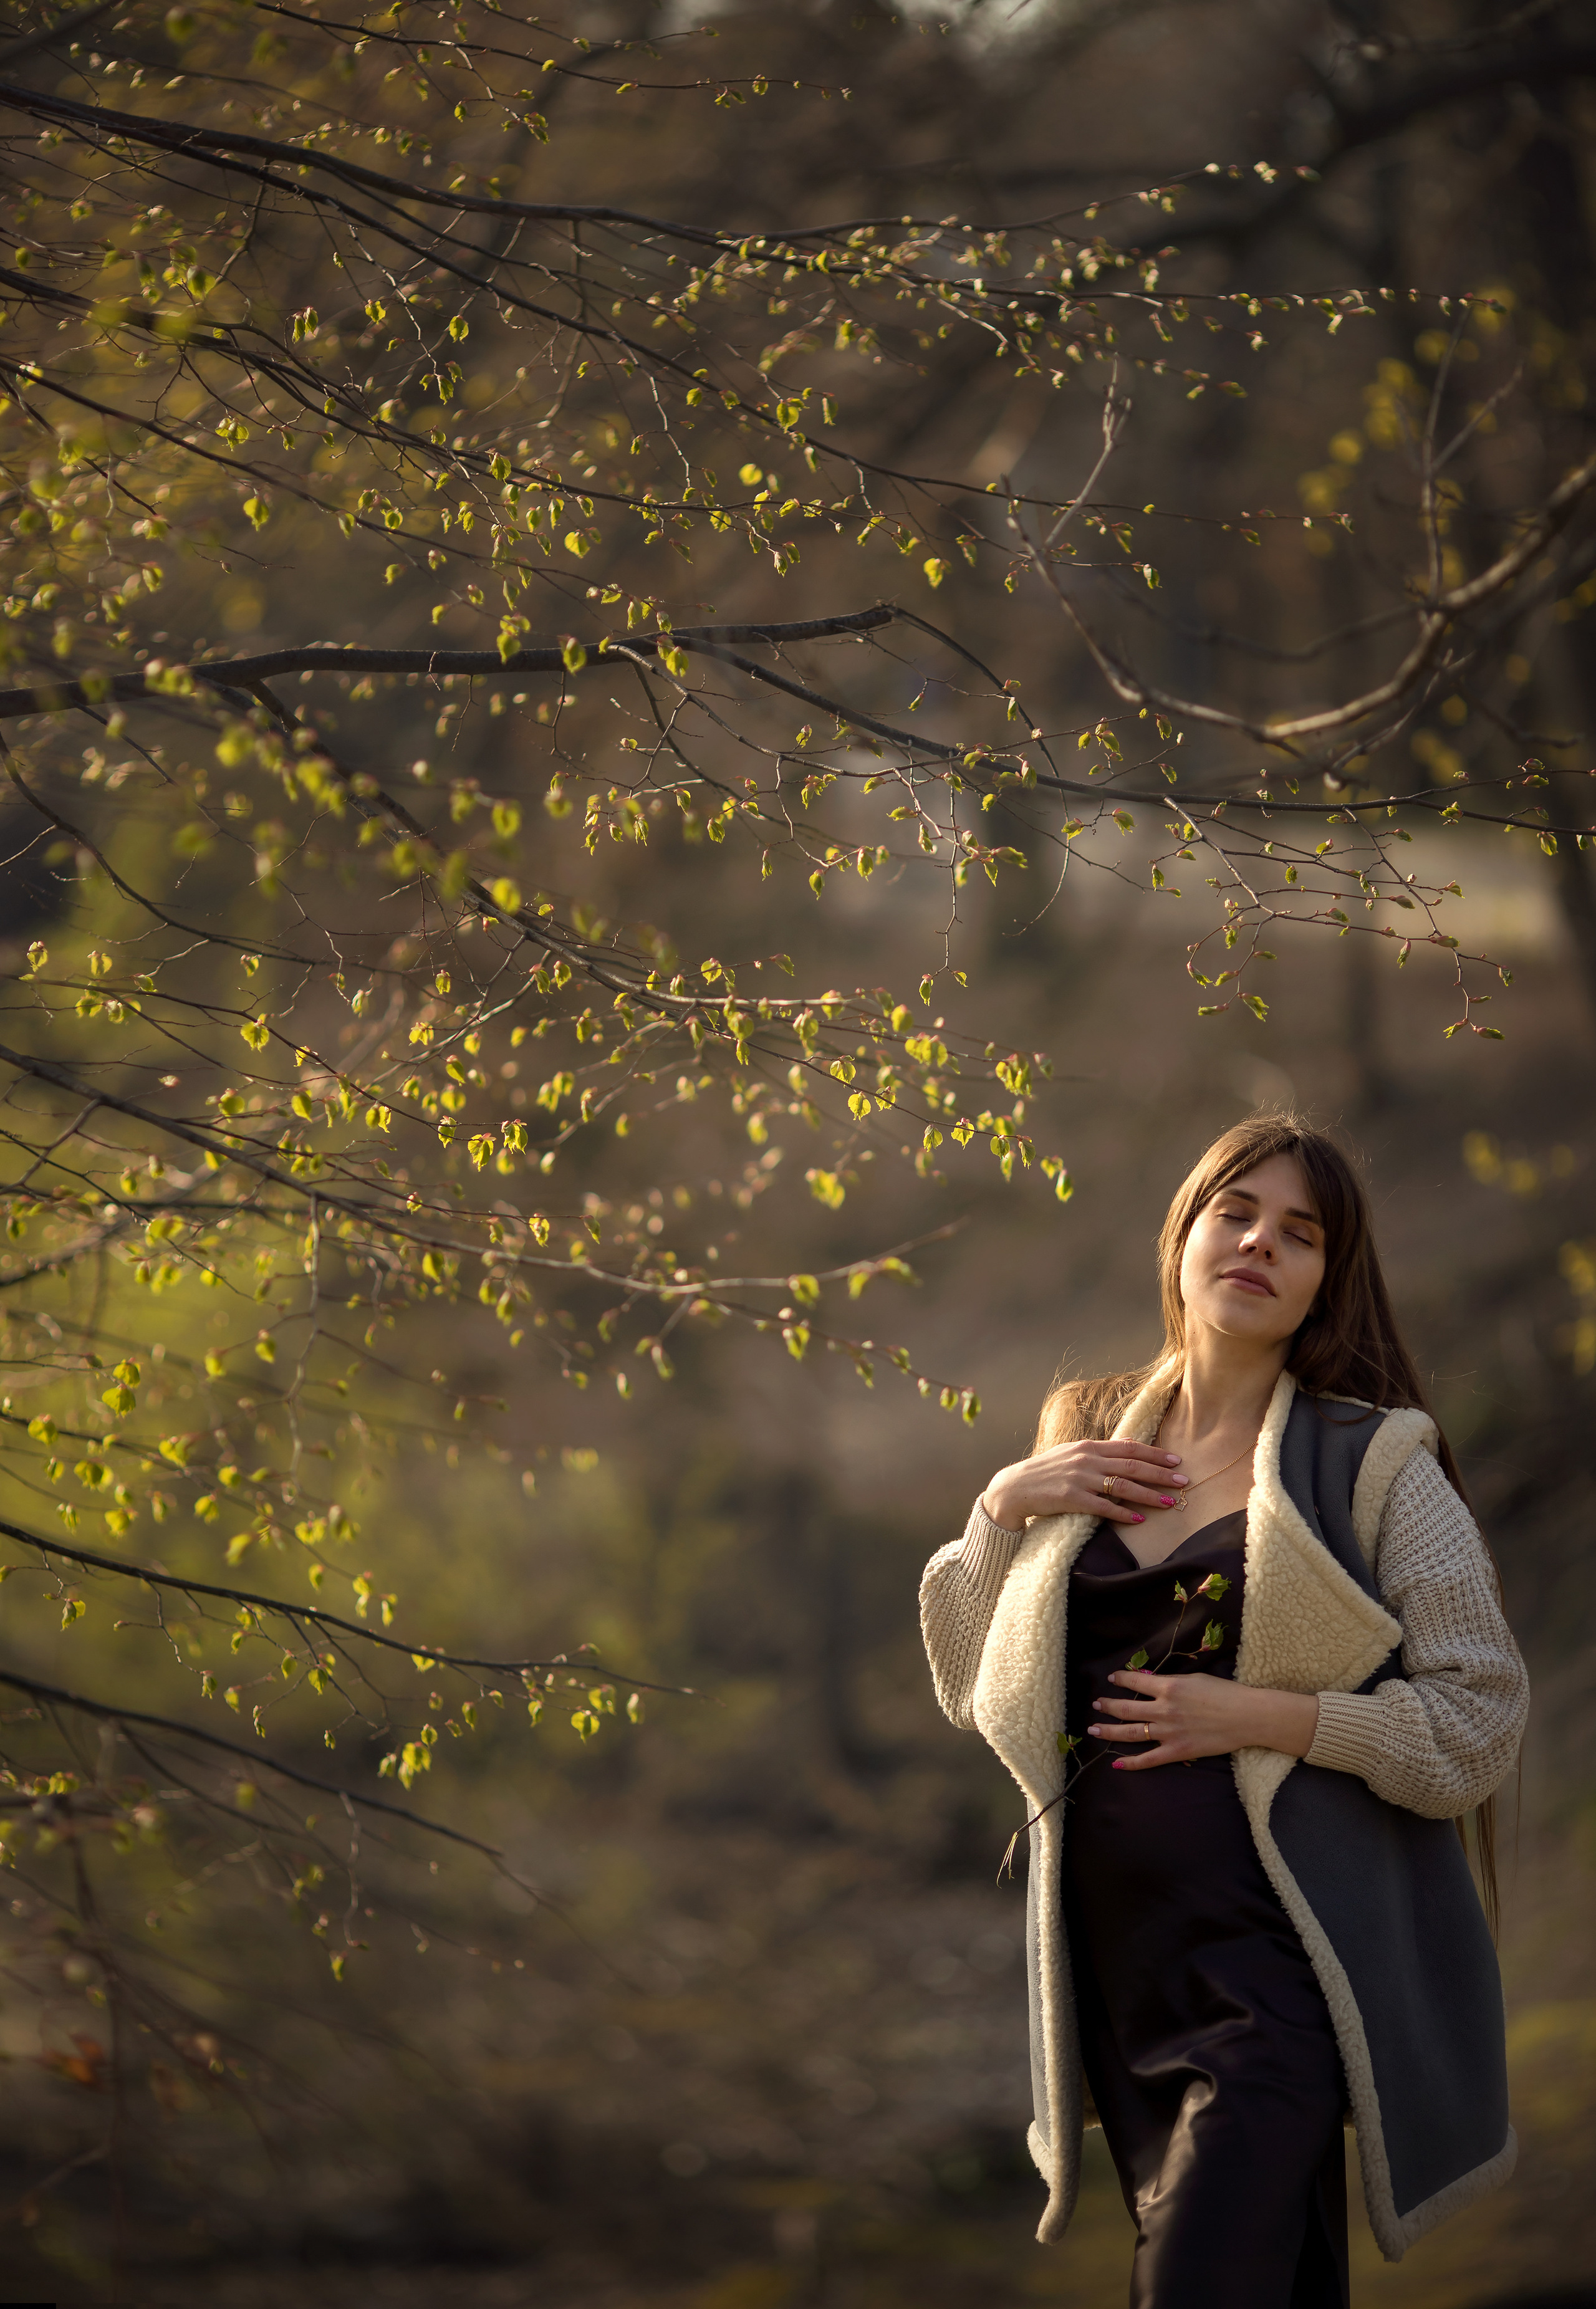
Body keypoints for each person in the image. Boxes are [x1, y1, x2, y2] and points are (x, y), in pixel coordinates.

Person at [920, 1115, 1528, 2308]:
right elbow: (965, 1688)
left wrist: (1260, 1715)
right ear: (1184, 1233)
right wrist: (998, 1508)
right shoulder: (1083, 1439)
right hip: (1123, 1982)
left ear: (1326, 1282)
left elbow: (1479, 1721)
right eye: (1235, 1212)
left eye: (1299, 1235)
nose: (1259, 1244)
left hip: (1279, 1979)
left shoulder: (1375, 1464)